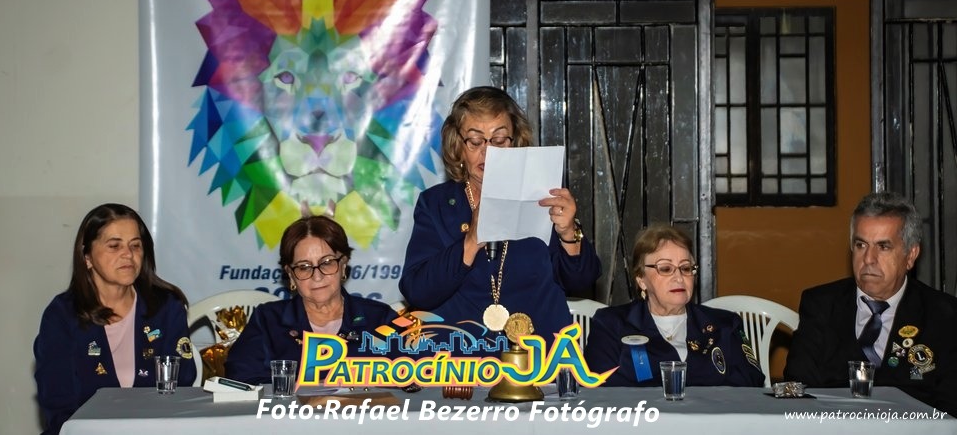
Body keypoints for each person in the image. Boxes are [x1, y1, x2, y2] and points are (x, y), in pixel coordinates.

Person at [399, 86, 601, 343]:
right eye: (475, 141)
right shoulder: (436, 204)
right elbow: (417, 292)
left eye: (499, 140)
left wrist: (568, 232)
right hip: (462, 354)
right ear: (458, 146)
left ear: (515, 143)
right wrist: (470, 242)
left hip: (537, 351)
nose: (488, 151)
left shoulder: (542, 195)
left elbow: (581, 280)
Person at [785, 192, 957, 415]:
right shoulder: (821, 305)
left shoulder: (943, 314)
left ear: (911, 255)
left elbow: (950, 406)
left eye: (883, 247)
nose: (868, 259)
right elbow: (798, 387)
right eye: (861, 245)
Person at [34, 203, 195, 435]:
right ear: (87, 256)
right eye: (114, 246)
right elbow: (59, 405)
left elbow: (181, 386)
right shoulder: (62, 315)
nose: (128, 254)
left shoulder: (166, 308)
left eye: (135, 245)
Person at [584, 224, 764, 387]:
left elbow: (751, 382)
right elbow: (599, 388)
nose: (679, 278)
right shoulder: (611, 324)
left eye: (685, 268)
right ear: (641, 280)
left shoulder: (725, 324)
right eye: (665, 269)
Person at [225, 216, 398, 384]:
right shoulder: (268, 320)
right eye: (304, 267)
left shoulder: (379, 318)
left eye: (327, 262)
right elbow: (239, 378)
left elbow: (408, 374)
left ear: (343, 265)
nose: (317, 276)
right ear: (291, 275)